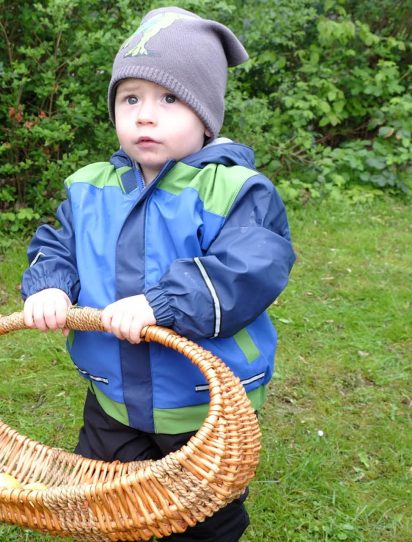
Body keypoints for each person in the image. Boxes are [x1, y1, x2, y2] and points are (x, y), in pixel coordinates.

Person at [20, 6, 296, 541]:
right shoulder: (89, 188)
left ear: (206, 116)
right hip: (112, 398)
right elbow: (56, 244)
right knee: (106, 504)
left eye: (169, 99)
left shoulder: (235, 191)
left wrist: (161, 303)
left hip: (205, 404)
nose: (146, 116)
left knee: (201, 515)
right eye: (131, 99)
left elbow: (251, 267)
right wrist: (50, 282)